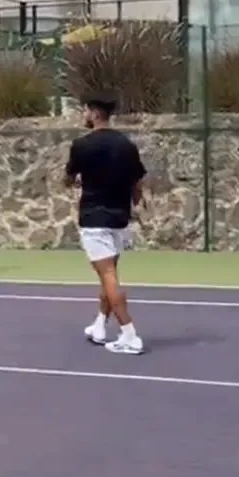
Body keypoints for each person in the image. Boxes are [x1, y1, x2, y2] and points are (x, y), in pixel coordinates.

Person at [64, 92, 147, 355]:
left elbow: (68, 178)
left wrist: (75, 182)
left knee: (108, 276)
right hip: (120, 219)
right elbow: (136, 186)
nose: (84, 115)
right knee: (107, 275)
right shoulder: (127, 145)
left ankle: (130, 335)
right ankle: (100, 326)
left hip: (94, 219)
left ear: (94, 113)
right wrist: (138, 205)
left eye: (85, 111)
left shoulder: (82, 145)